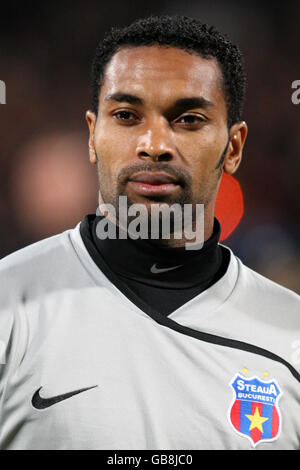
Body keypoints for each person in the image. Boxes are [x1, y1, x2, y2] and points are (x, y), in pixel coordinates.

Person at [0, 15, 299, 450]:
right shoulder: (9, 306)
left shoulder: (290, 334)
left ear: (233, 147)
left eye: (189, 119)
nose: (154, 143)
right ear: (91, 134)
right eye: (126, 115)